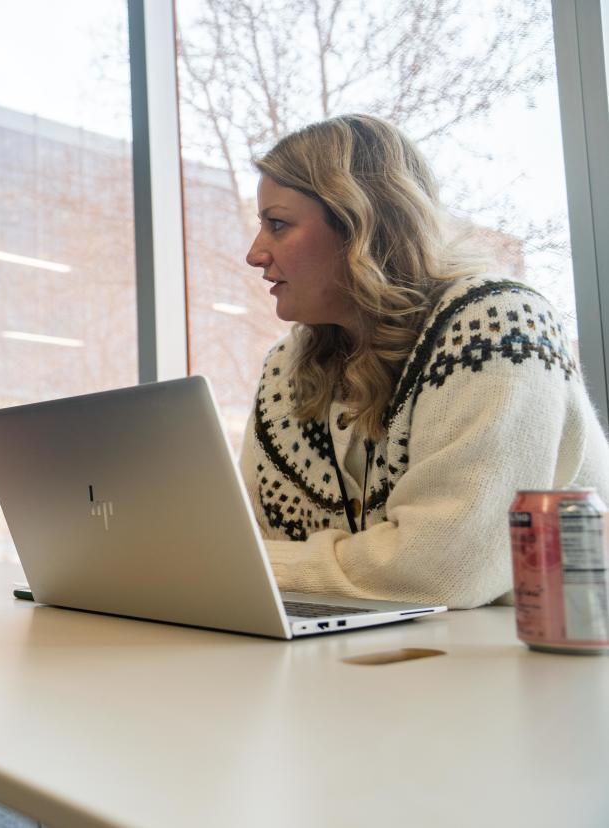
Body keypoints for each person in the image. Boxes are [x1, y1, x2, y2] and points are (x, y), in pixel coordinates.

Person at [240, 113, 609, 610]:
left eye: (277, 224)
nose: (255, 252)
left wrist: (252, 568)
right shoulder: (287, 367)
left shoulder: (500, 324)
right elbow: (251, 535)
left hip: (544, 667)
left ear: (358, 225)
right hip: (386, 661)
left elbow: (443, 568)